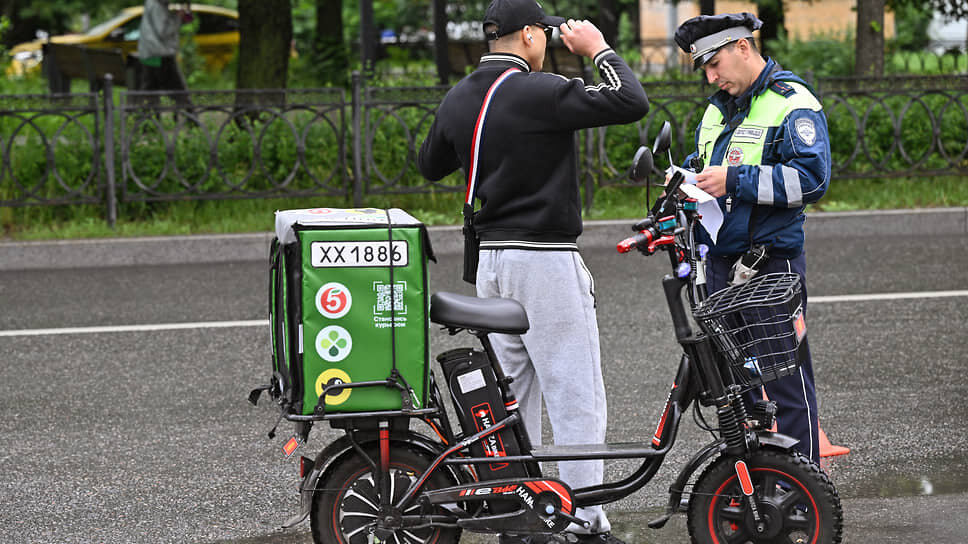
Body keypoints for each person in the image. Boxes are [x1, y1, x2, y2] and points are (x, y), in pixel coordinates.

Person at [417, 0, 649, 542]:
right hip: (543, 259)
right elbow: (630, 100)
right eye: (543, 34)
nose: (546, 42)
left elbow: (430, 164)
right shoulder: (540, 91)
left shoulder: (460, 95)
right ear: (528, 35)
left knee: (512, 401)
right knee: (574, 395)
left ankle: (519, 518)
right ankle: (585, 522)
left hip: (490, 264)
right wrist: (597, 50)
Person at [674, 12, 831, 462]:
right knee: (737, 387)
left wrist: (735, 181)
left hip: (768, 267)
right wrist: (684, 183)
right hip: (720, 267)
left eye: (715, 62)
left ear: (743, 47)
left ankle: (802, 496)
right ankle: (757, 490)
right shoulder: (718, 107)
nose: (711, 75)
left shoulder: (791, 101)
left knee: (786, 385)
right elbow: (707, 164)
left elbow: (812, 181)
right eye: (703, 67)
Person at [136, 0, 192, 103]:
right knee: (178, 89)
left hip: (150, 53)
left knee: (151, 89)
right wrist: (178, 18)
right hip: (160, 54)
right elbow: (163, 32)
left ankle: (145, 115)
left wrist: (174, 16)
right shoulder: (157, 7)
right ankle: (190, 115)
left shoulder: (153, 4)